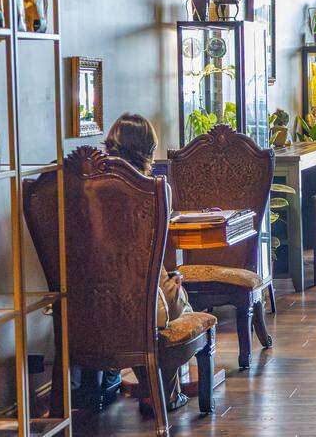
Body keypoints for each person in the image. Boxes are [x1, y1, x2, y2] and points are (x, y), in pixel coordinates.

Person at [103, 113, 194, 410]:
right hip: (140, 302)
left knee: (166, 286)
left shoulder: (83, 189)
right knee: (178, 295)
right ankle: (162, 394)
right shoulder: (154, 190)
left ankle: (137, 385)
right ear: (146, 151)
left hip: (87, 304)